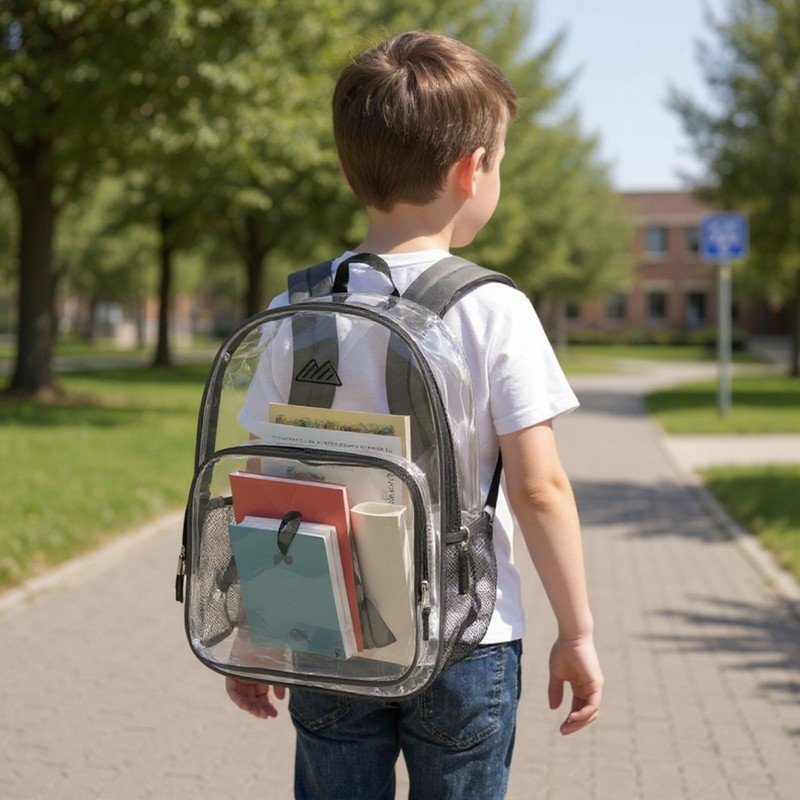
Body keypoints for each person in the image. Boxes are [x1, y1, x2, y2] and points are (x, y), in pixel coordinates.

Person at [225, 30, 603, 800]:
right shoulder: (494, 309)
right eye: (499, 161)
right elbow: (539, 490)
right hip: (466, 637)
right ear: (473, 170)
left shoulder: (297, 306)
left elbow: (265, 477)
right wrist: (578, 630)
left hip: (326, 626)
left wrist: (257, 627)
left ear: (346, 170)